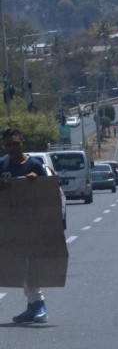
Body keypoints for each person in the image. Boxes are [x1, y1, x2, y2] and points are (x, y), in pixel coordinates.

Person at [0, 128, 48, 323]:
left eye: (16, 144)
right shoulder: (2, 164)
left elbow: (49, 191)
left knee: (30, 265)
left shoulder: (35, 164)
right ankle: (31, 305)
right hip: (10, 224)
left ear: (23, 142)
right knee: (19, 267)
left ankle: (39, 304)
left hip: (33, 223)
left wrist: (35, 182)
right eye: (8, 144)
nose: (12, 148)